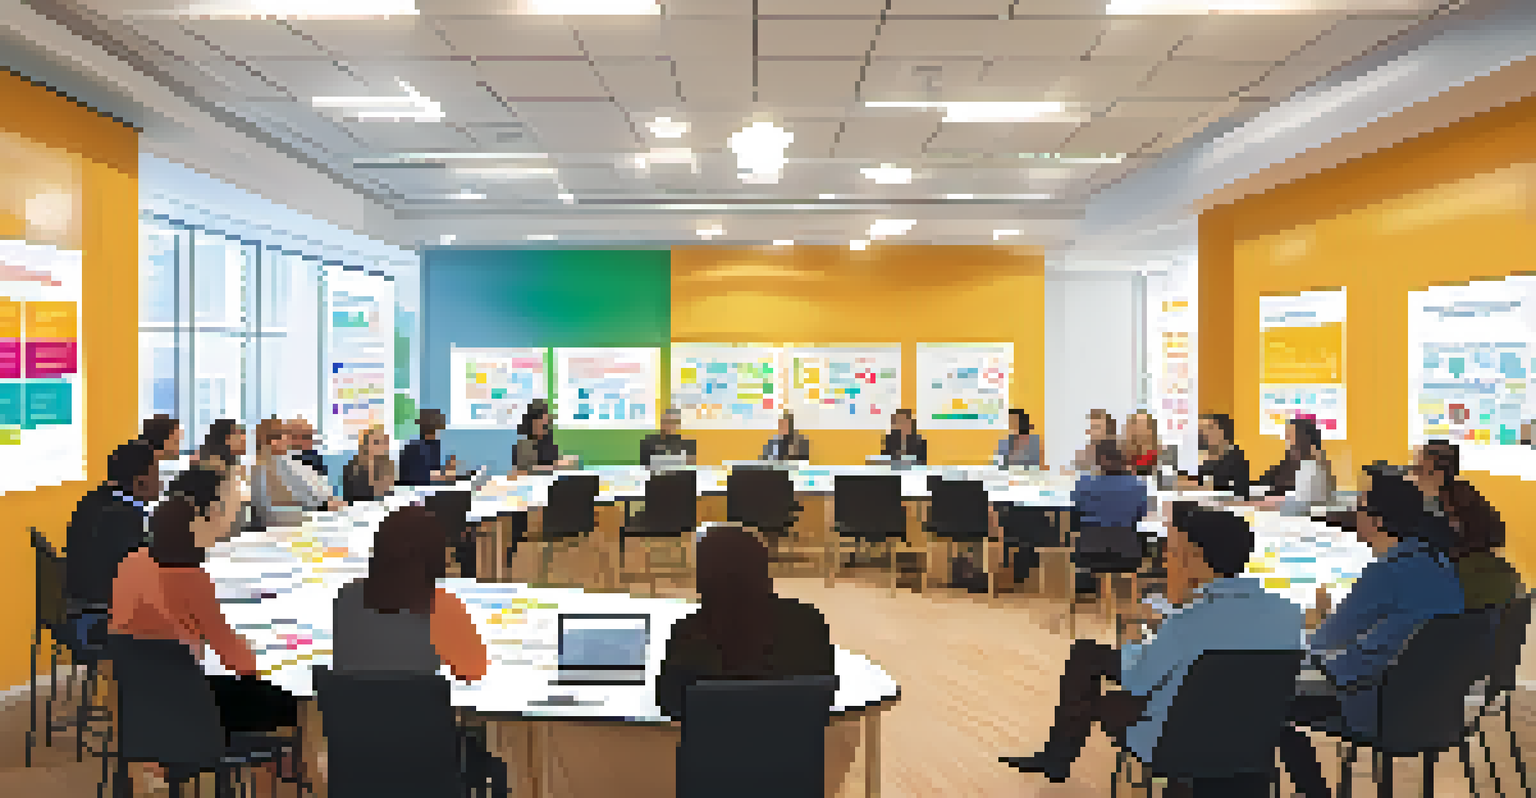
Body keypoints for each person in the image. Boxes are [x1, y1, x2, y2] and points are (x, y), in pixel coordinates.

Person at [1001, 503, 1304, 784]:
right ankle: (1056, 758)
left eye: (1174, 552)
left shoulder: (1187, 621)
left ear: (1195, 557)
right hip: (1251, 736)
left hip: (1178, 740)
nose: (1167, 558)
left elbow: (1139, 683)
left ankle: (1057, 758)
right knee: (1089, 657)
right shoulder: (1290, 614)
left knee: (1100, 698)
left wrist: (1138, 641)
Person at [110, 468, 305, 788]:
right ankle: (288, 773)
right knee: (289, 702)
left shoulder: (131, 562)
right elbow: (239, 662)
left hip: (140, 704)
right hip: (195, 712)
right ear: (192, 528)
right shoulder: (191, 579)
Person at [1276, 467, 1464, 798]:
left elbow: (1323, 644)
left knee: (1265, 700)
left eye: (1359, 507)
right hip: (1436, 704)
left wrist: (1316, 620)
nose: (1354, 515)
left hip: (1379, 704)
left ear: (1377, 520)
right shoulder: (1438, 563)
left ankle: (1315, 792)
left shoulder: (1387, 572)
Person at [329, 503, 505, 789]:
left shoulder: (346, 599)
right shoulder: (438, 605)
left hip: (358, 762)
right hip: (426, 765)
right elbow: (473, 670)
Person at [656, 524, 836, 720]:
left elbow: (668, 705)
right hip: (795, 746)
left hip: (712, 747)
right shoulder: (808, 624)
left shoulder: (688, 633)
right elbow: (826, 698)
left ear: (703, 579)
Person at [63, 440, 162, 655]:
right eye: (156, 473)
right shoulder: (124, 518)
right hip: (98, 618)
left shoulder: (93, 500)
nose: (161, 482)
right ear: (141, 481)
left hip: (80, 608)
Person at [1411, 440, 1521, 611]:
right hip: (1487, 599)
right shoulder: (1465, 492)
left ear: (1437, 474)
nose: (1413, 475)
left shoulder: (1440, 505)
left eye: (1418, 469)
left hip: (1462, 599)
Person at [1070, 441, 1151, 576]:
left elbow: (1077, 511)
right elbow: (1141, 515)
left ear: (1098, 461)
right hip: (1127, 553)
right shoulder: (1138, 486)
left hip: (1089, 552)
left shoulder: (1083, 484)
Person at [251, 418, 341, 527]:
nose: (288, 440)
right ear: (274, 441)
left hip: (294, 520)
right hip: (290, 525)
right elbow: (308, 492)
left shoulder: (276, 462)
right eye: (285, 435)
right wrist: (325, 505)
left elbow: (311, 488)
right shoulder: (278, 463)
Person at [1258, 418, 1335, 513]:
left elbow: (1303, 500)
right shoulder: (1293, 455)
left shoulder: (1314, 461)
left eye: (1290, 434)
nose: (1287, 437)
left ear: (1301, 436)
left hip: (1306, 513)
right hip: (1291, 506)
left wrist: (1271, 501)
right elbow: (1273, 476)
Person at [1191, 413, 1249, 498]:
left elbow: (1241, 496)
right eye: (1201, 429)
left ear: (1223, 430)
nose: (1204, 433)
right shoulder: (1201, 458)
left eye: (1209, 428)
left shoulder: (1237, 459)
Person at [399, 409, 457, 486]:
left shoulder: (433, 445)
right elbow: (423, 478)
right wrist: (447, 474)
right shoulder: (416, 448)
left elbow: (432, 471)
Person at [513, 401, 575, 473]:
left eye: (546, 424)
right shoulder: (523, 444)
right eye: (542, 423)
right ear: (532, 422)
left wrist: (567, 460)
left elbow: (555, 459)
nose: (545, 427)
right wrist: (557, 465)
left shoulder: (547, 441)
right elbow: (526, 470)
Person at [342, 425, 397, 503]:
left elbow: (388, 493)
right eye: (376, 442)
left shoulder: (387, 464)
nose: (382, 446)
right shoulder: (352, 468)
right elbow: (359, 497)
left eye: (384, 442)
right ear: (365, 445)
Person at [1122, 411, 1167, 476]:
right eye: (1135, 424)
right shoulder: (1121, 455)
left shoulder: (1163, 455)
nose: (1138, 429)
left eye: (1143, 425)